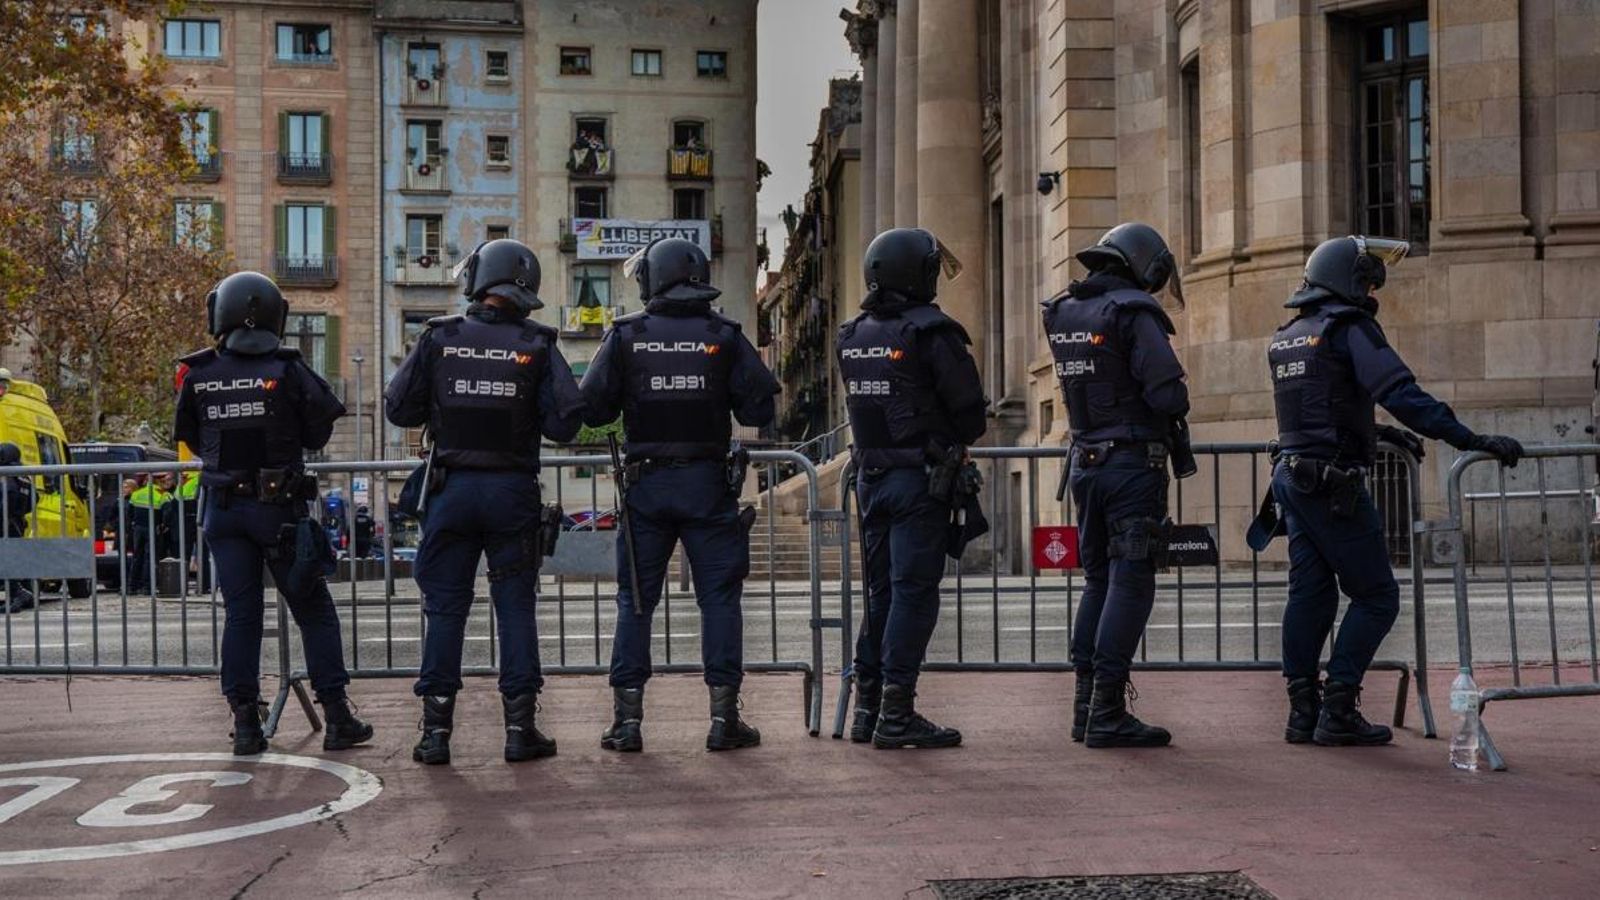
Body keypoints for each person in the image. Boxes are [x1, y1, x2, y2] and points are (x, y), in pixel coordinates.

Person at [1262, 236, 1524, 746]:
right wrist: (1467, 438)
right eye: (1366, 277)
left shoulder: (1290, 333)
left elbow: (1319, 410)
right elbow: (1399, 391)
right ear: (1348, 279)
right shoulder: (1350, 328)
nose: (1371, 286)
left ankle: (1302, 712)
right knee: (1378, 596)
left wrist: (1375, 434)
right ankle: (1337, 709)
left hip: (1293, 479)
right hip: (1333, 485)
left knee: (1310, 595)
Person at [386, 238, 584, 766]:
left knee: (445, 609)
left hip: (451, 491)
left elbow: (398, 408)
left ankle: (435, 735)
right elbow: (567, 422)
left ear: (477, 281)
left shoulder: (439, 337)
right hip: (511, 493)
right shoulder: (537, 344)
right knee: (515, 608)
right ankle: (520, 730)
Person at [578, 237, 779, 753]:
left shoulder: (627, 336)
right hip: (707, 485)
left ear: (652, 278)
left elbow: (593, 410)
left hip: (646, 486)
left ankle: (627, 724)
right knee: (719, 600)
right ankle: (723, 719)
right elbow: (760, 410)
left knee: (635, 602)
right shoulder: (724, 334)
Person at [174, 270, 372, 756]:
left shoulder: (198, 373)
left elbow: (191, 436)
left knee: (241, 615)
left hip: (223, 511)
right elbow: (319, 430)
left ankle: (245, 723)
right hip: (277, 510)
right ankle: (338, 717)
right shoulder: (288, 369)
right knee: (313, 611)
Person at [838, 227, 987, 750]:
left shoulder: (852, 335)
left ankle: (868, 708)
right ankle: (897, 713)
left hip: (871, 480)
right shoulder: (932, 332)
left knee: (881, 595)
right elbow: (971, 415)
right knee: (913, 595)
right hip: (918, 482)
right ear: (917, 273)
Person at [1042, 223, 1190, 749]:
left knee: (1099, 584)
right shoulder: (1133, 310)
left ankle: (1086, 708)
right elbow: (1167, 392)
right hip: (1130, 466)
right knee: (1131, 582)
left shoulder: (1064, 309)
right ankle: (1106, 711)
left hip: (1085, 462)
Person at [1, 443, 37, 613]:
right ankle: (24, 595)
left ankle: (19, 593)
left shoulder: (7, 474)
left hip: (6, 522)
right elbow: (34, 498)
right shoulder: (23, 474)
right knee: (15, 561)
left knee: (6, 560)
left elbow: (8, 495)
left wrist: (5, 512)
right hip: (17, 521)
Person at [126, 473, 172, 593]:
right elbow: (168, 514)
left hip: (138, 529)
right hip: (153, 528)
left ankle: (132, 587)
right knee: (150, 558)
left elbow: (129, 512)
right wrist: (163, 525)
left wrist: (133, 524)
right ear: (158, 482)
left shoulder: (136, 493)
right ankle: (147, 587)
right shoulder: (163, 495)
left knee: (136, 557)